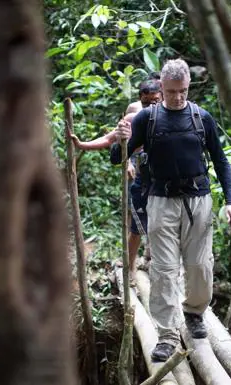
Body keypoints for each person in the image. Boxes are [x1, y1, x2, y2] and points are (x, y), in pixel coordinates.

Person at [112, 58, 231, 362]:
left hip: (199, 199)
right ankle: (168, 335)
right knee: (165, 269)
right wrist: (122, 139)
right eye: (171, 92)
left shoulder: (201, 118)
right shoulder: (148, 119)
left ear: (188, 87)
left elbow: (221, 161)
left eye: (182, 91)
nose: (177, 97)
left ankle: (194, 312)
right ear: (162, 87)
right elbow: (117, 158)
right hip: (160, 200)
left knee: (199, 265)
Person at [71, 79, 162, 281]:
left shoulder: (172, 117)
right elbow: (109, 140)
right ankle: (130, 268)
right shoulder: (133, 118)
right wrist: (82, 144)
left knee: (161, 227)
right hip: (142, 178)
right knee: (137, 226)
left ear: (163, 98)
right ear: (140, 100)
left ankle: (156, 264)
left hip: (165, 183)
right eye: (147, 102)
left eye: (156, 101)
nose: (151, 106)